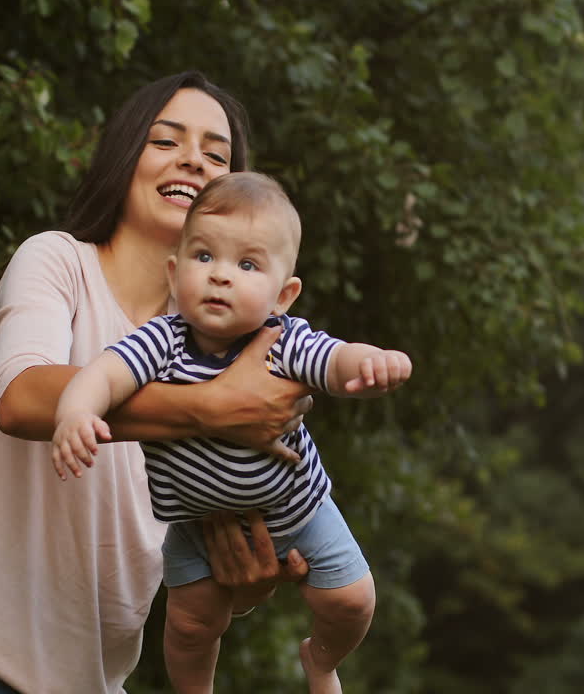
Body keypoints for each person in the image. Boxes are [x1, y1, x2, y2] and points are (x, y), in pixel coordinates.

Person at [0, 72, 314, 694]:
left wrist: (239, 581)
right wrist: (208, 408)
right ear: (124, 157)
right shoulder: (56, 262)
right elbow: (22, 398)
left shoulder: (224, 359)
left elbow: (190, 543)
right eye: (167, 141)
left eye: (216, 154)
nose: (193, 158)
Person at [51, 172, 413, 694]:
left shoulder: (279, 341)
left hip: (298, 509)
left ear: (283, 294)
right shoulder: (162, 342)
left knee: (352, 601)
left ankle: (322, 661)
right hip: (197, 525)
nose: (220, 276)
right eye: (204, 257)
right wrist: (76, 413)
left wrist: (371, 365)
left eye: (246, 264)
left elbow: (334, 360)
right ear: (174, 275)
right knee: (190, 628)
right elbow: (105, 374)